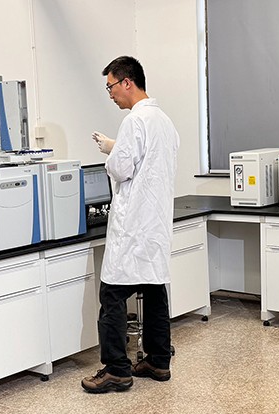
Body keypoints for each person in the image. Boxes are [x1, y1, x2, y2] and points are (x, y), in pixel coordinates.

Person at [81, 56, 180, 393]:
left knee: (112, 295)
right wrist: (117, 147)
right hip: (155, 226)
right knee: (154, 292)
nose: (110, 94)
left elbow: (122, 170)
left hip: (133, 226)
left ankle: (116, 370)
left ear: (127, 82)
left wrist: (112, 152)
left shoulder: (134, 121)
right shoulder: (164, 121)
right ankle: (158, 361)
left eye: (110, 86)